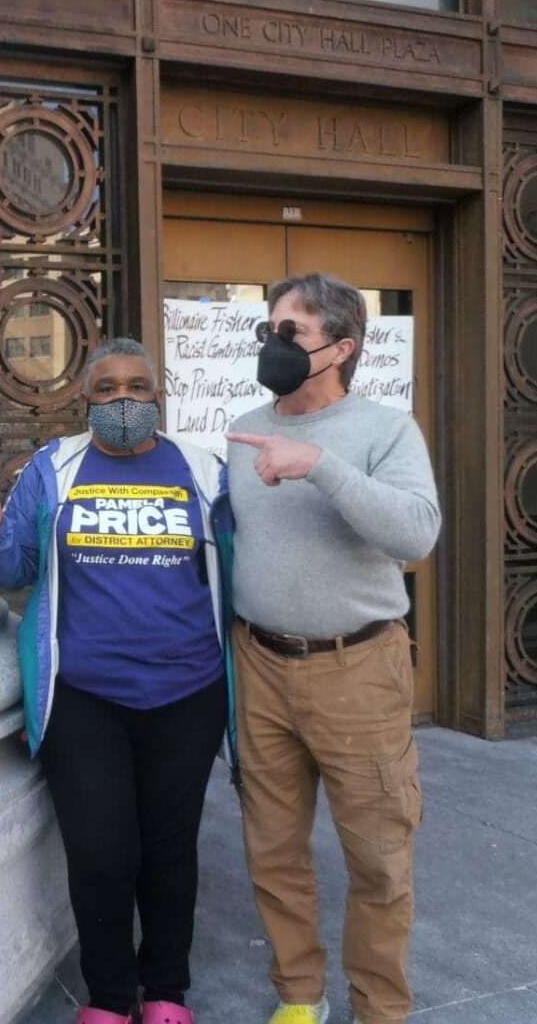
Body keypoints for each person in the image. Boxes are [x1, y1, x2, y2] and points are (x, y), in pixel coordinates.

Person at [0, 337, 234, 1024]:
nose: (123, 400)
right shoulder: (55, 467)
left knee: (168, 846)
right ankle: (107, 995)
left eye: (137, 386)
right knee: (99, 850)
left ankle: (165, 993)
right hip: (84, 696)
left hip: (188, 693)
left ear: (158, 396)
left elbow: (238, 572)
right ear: (84, 400)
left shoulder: (201, 468)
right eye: (106, 389)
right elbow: (15, 568)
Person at [225, 273, 440, 1024]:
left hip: (359, 669)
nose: (273, 345)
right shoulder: (243, 426)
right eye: (269, 330)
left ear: (342, 348)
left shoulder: (385, 431)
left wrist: (319, 466)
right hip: (258, 664)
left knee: (379, 855)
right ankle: (299, 996)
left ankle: (380, 1008)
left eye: (293, 334)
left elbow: (416, 533)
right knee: (273, 849)